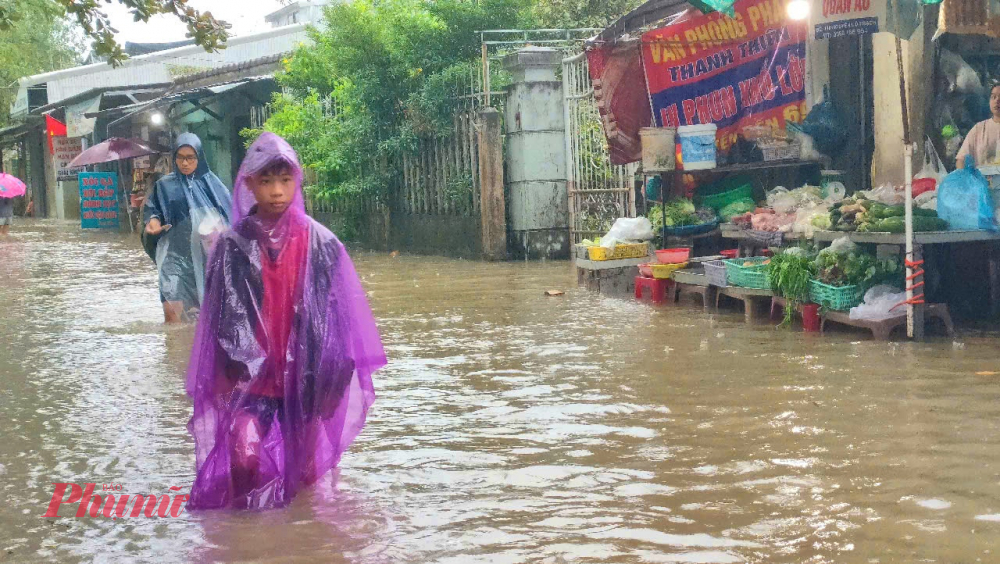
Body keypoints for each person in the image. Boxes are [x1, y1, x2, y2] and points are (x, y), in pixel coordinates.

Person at [185, 132, 386, 510]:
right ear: (248, 184)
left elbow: (340, 323)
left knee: (304, 472)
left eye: (285, 180)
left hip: (306, 379)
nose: (277, 191)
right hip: (248, 381)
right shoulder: (230, 246)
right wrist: (220, 383)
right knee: (243, 457)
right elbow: (216, 325)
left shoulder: (323, 244)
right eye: (266, 181)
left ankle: (299, 536)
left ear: (297, 181)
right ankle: (244, 540)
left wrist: (334, 383)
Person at [142, 134, 232, 323]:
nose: (184, 163)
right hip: (174, 256)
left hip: (204, 259)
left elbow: (230, 216)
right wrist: (153, 224)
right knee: (172, 313)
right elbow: (153, 211)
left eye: (190, 157)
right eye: (180, 157)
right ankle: (173, 350)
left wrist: (222, 230)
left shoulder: (213, 185)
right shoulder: (164, 186)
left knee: (201, 316)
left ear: (199, 157)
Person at [957, 82, 1000, 168]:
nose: (997, 101)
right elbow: (961, 159)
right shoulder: (979, 129)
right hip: (981, 180)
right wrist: (964, 177)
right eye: (993, 97)